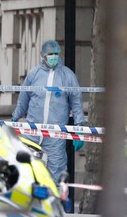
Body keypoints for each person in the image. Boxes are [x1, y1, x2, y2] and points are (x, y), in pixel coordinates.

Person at [11, 40, 86, 184]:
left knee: (55, 171)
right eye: (50, 54)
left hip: (55, 134)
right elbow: (23, 100)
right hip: (32, 131)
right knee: (26, 169)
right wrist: (15, 118)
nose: (53, 57)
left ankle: (54, 203)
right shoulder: (34, 74)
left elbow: (76, 103)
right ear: (43, 55)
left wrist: (79, 129)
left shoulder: (67, 76)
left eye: (56, 54)